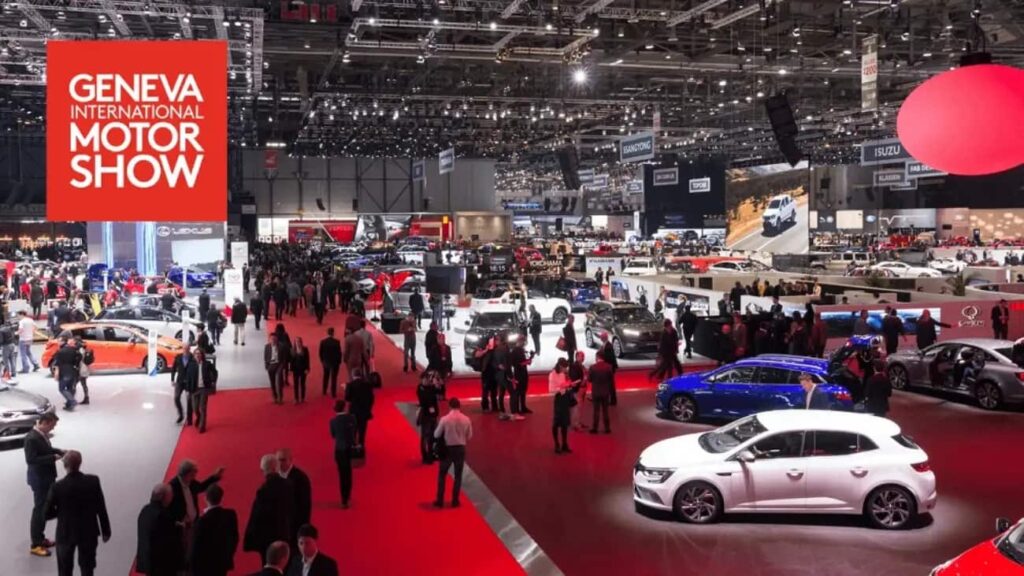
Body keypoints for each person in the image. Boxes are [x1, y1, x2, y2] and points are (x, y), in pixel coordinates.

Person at [44, 450, 110, 576]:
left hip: (65, 532)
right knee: (87, 568)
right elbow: (101, 507)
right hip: (88, 531)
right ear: (80, 463)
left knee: (65, 570)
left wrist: (60, 512)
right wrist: (106, 530)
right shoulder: (93, 481)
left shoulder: (57, 487)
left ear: (65, 466)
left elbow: (46, 514)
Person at [26, 412, 65, 557]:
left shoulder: (41, 435)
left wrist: (59, 451)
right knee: (39, 511)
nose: (53, 428)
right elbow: (31, 460)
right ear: (46, 422)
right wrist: (52, 457)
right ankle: (36, 544)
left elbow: (46, 450)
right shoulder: (31, 438)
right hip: (40, 479)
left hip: (46, 478)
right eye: (52, 425)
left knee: (44, 509)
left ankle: (41, 539)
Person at [243, 455, 294, 565]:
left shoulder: (264, 489)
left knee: (269, 564)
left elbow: (258, 515)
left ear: (265, 469)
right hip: (285, 533)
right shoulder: (289, 485)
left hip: (267, 537)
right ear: (276, 467)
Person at [168, 459, 224, 554]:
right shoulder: (172, 487)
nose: (195, 475)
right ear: (187, 473)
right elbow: (168, 507)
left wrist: (215, 477)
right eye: (194, 472)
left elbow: (201, 487)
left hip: (193, 523)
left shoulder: (191, 483)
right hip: (181, 527)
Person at [189, 483, 238, 576]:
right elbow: (234, 538)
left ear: (205, 498)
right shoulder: (230, 515)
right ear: (221, 497)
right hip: (222, 563)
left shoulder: (202, 521)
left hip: (205, 567)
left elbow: (196, 547)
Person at [135, 484, 184, 576]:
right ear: (163, 497)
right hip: (162, 564)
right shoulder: (163, 515)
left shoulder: (145, 511)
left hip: (148, 562)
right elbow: (170, 541)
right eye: (170, 495)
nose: (172, 498)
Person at [434, 398, 472, 508]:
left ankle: (440, 500)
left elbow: (436, 434)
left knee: (442, 474)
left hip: (447, 449)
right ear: (459, 406)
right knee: (458, 476)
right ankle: (455, 500)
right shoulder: (466, 419)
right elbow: (469, 436)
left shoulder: (445, 419)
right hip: (460, 449)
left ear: (450, 406)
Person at [276, 449, 312, 539]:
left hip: (294, 525)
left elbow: (305, 506)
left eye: (283, 460)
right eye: (278, 460)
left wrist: (303, 530)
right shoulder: (274, 477)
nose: (280, 463)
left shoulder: (301, 478)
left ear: (290, 460)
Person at [328, 400, 356, 508]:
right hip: (349, 449)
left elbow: (333, 435)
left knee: (342, 475)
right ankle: (348, 495)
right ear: (344, 407)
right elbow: (354, 432)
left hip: (339, 450)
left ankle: (343, 499)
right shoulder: (351, 418)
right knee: (349, 473)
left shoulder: (333, 421)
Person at [345, 368, 375, 456]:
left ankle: (353, 447)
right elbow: (371, 398)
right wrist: (368, 408)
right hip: (364, 411)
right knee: (362, 431)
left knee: (353, 430)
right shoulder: (367, 385)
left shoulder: (350, 385)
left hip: (353, 412)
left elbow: (347, 398)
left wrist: (346, 389)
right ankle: (361, 447)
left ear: (353, 375)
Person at [417, 372, 443, 463]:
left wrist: (439, 383)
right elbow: (424, 400)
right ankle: (425, 456)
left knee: (432, 435)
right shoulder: (420, 388)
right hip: (425, 415)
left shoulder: (431, 387)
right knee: (425, 436)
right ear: (422, 379)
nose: (427, 380)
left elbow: (440, 392)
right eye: (426, 379)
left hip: (434, 414)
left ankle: (430, 453)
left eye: (428, 379)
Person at [171, 345, 199, 425]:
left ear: (189, 349)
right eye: (184, 349)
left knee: (189, 401)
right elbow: (173, 369)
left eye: (187, 349)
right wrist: (172, 379)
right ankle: (181, 414)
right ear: (182, 349)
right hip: (179, 381)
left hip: (189, 382)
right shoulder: (178, 357)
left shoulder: (193, 358)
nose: (186, 350)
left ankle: (189, 419)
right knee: (176, 398)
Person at [589, 352, 614, 434]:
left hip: (596, 392)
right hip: (605, 392)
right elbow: (611, 379)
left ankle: (595, 428)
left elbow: (590, 379)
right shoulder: (609, 367)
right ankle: (607, 428)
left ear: (597, 357)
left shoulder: (592, 367)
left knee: (596, 411)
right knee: (605, 411)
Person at [53, 338, 82, 411]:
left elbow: (57, 363)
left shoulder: (60, 351)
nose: (58, 342)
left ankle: (72, 401)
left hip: (64, 371)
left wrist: (56, 372)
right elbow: (78, 359)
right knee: (70, 388)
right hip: (73, 370)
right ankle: (69, 404)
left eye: (59, 341)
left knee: (62, 388)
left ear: (63, 342)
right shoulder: (75, 350)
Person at [193, 349, 217, 432]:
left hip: (204, 388)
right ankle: (198, 417)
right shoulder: (192, 364)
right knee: (195, 408)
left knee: (202, 408)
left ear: (202, 355)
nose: (197, 355)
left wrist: (213, 381)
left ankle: (202, 426)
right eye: (196, 354)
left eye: (199, 353)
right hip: (194, 389)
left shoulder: (207, 364)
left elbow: (215, 372)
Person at [551, 368, 574, 454]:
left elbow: (567, 386)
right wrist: (562, 387)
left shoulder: (565, 374)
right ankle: (557, 444)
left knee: (565, 423)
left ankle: (564, 444)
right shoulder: (553, 374)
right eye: (565, 367)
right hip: (559, 400)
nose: (566, 370)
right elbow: (551, 390)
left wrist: (570, 385)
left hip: (565, 399)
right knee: (556, 423)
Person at [319, 327, 342, 398]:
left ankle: (324, 390)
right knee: (334, 378)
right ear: (333, 333)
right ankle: (333, 393)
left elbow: (320, 353)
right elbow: (339, 353)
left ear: (327, 333)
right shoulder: (337, 342)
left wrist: (322, 361)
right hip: (335, 362)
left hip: (326, 362)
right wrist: (339, 361)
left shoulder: (323, 342)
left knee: (326, 376)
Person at [265, 334, 285, 405]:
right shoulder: (267, 347)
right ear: (269, 339)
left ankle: (280, 397)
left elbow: (284, 358)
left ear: (277, 339)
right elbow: (265, 357)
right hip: (271, 365)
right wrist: (267, 366)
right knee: (272, 382)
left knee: (278, 381)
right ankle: (275, 396)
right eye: (271, 339)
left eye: (274, 339)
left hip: (279, 364)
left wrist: (283, 366)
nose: (273, 340)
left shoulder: (281, 346)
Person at [290, 337, 310, 403]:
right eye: (296, 341)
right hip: (295, 370)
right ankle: (296, 398)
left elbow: (307, 360)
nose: (298, 343)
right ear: (295, 342)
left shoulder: (305, 349)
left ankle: (302, 398)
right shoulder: (292, 350)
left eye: (299, 341)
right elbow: (291, 361)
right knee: (296, 384)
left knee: (302, 384)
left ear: (301, 342)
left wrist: (307, 369)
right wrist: (290, 370)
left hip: (303, 370)